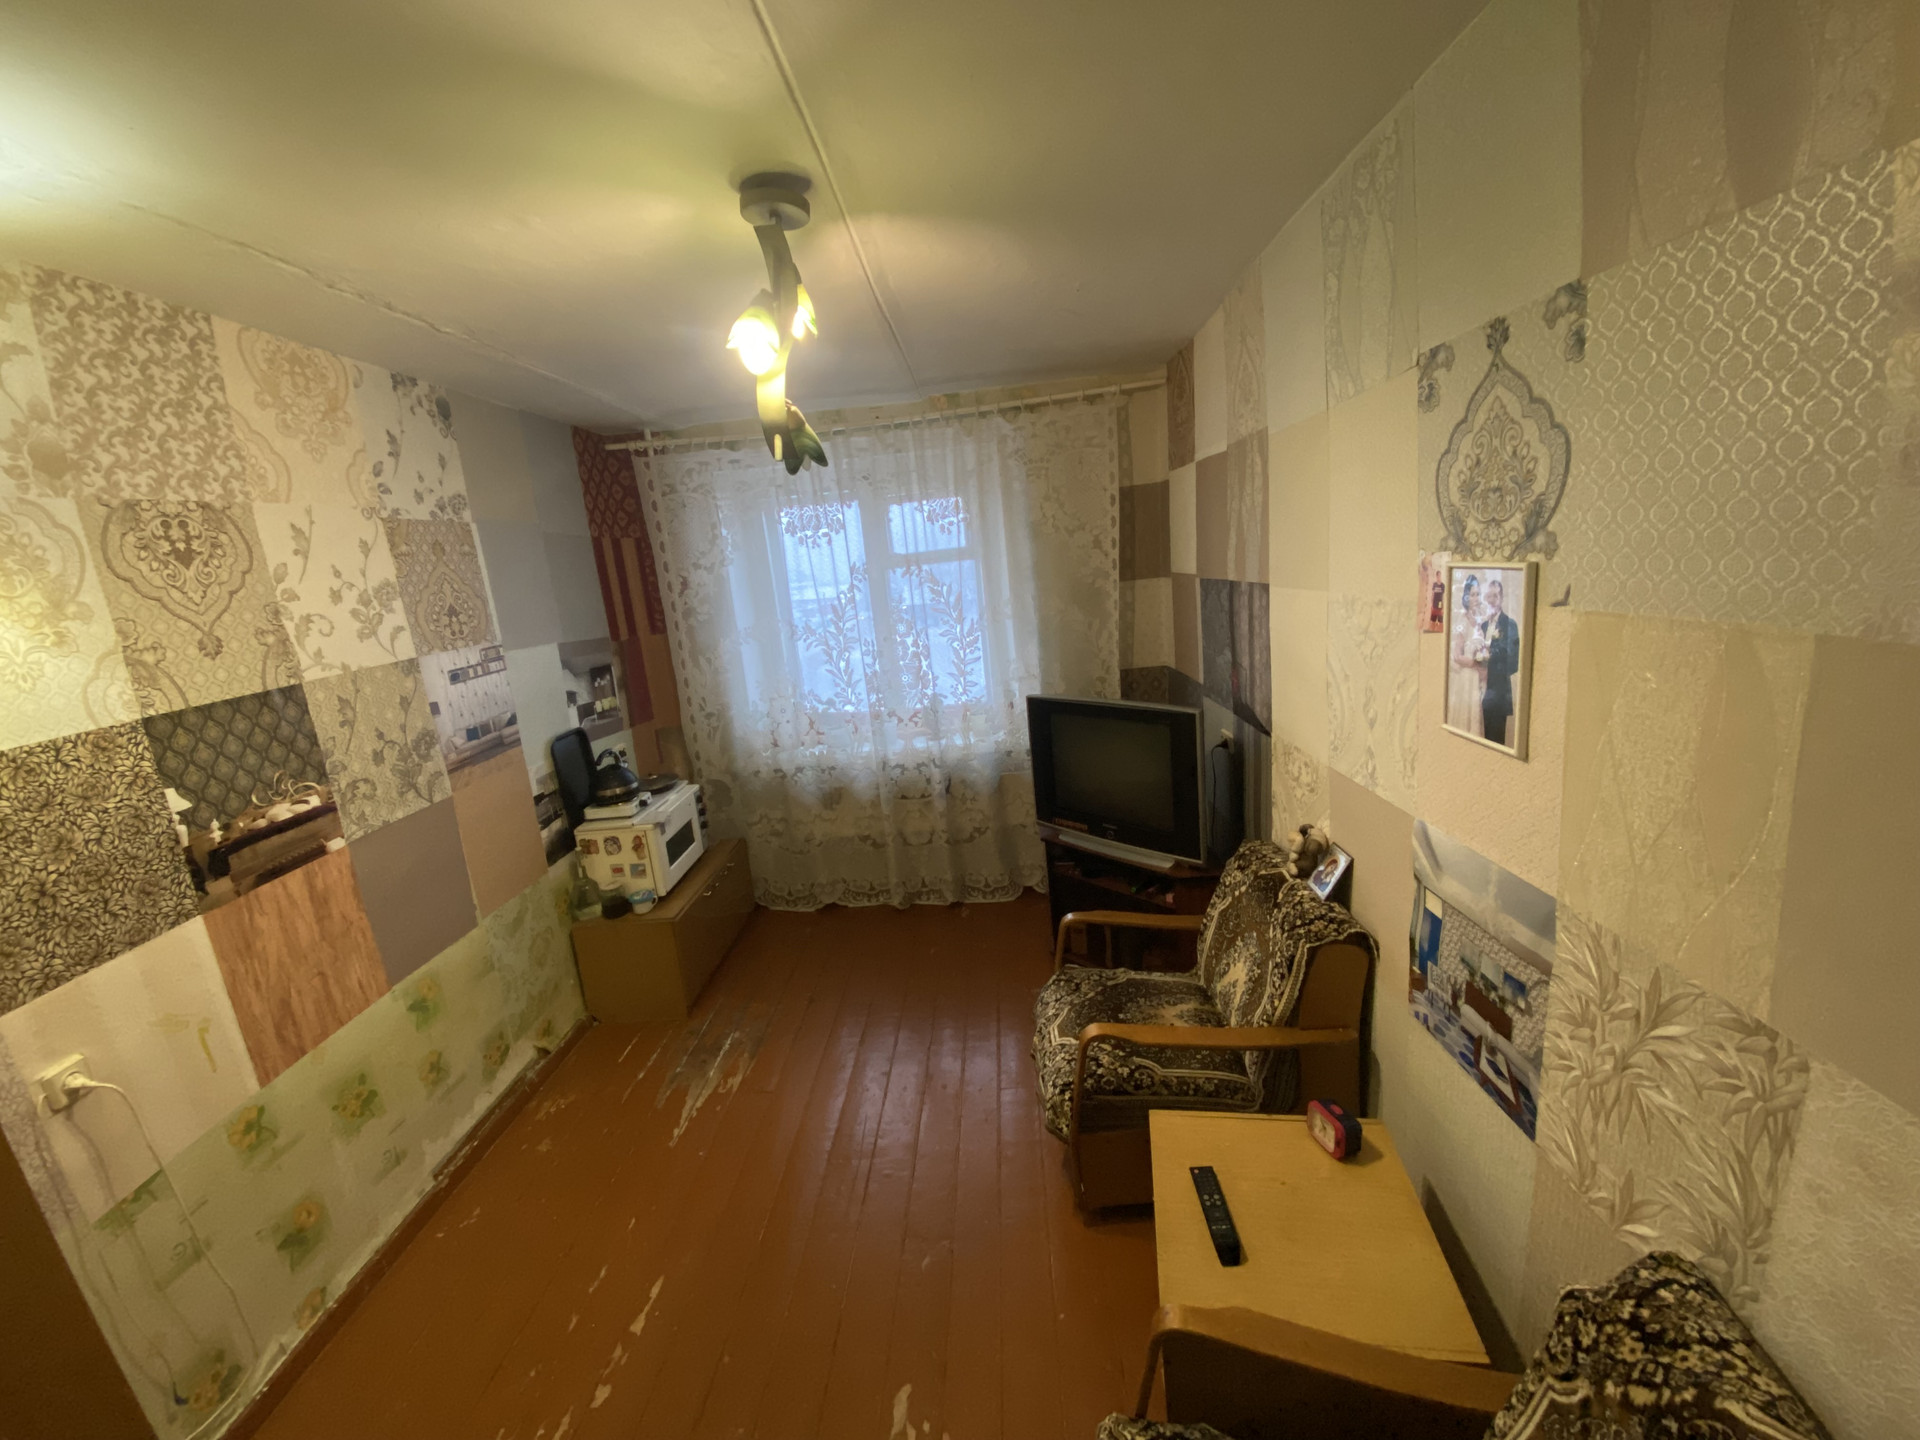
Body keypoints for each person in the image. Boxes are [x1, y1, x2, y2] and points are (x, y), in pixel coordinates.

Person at [1480, 577, 1521, 747]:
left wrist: (1491, 657)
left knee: (1495, 744)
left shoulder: (1509, 624)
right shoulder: (1482, 626)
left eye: (1495, 596)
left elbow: (1513, 662)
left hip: (1498, 694)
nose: (1491, 600)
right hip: (1479, 691)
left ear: (1502, 598)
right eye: (1488, 596)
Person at [1446, 574, 1487, 734]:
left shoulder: (1480, 620)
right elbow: (1457, 655)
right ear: (1466, 597)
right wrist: (1475, 664)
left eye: (1478, 594)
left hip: (1477, 678)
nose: (1476, 598)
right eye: (1472, 595)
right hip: (1466, 677)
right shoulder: (1462, 621)